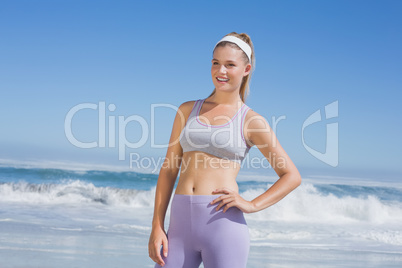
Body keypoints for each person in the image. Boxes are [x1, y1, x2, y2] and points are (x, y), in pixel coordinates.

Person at [148, 32, 301, 268]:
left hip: (223, 227)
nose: (221, 71)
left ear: (246, 69)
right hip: (178, 228)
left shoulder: (251, 121)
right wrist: (157, 226)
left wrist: (252, 204)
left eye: (230, 65)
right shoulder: (187, 110)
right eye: (216, 63)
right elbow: (169, 170)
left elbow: (291, 176)